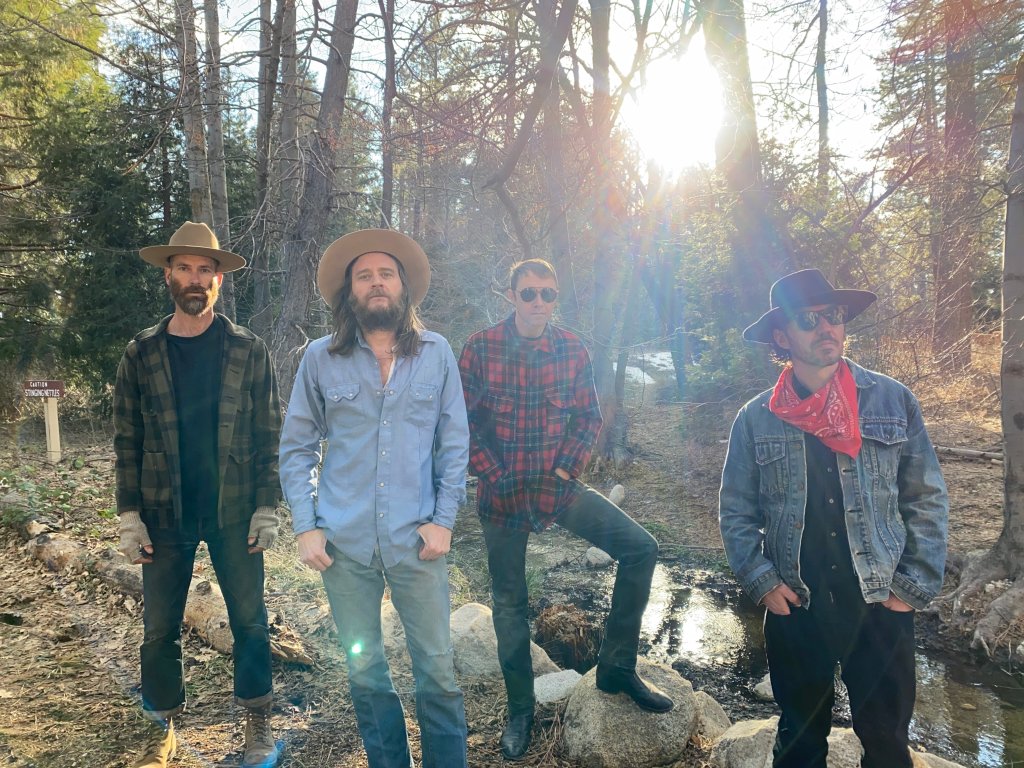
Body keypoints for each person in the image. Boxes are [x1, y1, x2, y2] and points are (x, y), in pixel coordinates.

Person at [718, 269, 949, 768]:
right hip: (796, 605)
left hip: (879, 603)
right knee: (799, 744)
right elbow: (735, 510)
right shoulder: (756, 417)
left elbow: (927, 498)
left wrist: (910, 587)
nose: (827, 328)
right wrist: (760, 580)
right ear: (782, 337)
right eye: (809, 320)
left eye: (834, 316)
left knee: (887, 745)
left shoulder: (892, 400)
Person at [458, 258, 672, 761]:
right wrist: (495, 474)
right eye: (528, 293)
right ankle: (521, 709)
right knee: (509, 604)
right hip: (502, 495)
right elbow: (460, 424)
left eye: (547, 294)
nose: (538, 302)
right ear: (511, 296)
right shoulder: (481, 348)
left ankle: (617, 668)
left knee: (641, 549)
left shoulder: (572, 349)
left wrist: (566, 468)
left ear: (556, 298)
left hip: (557, 486)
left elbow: (588, 417)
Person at [279, 229, 470, 768]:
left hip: (418, 541)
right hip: (345, 545)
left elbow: (455, 443)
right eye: (364, 276)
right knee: (364, 671)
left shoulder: (437, 354)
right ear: (350, 292)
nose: (376, 283)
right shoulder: (320, 358)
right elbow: (297, 447)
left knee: (436, 668)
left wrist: (444, 520)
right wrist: (306, 525)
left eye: (386, 273)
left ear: (403, 286)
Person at [113, 222, 283, 768]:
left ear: (218, 280)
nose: (194, 278)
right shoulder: (142, 353)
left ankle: (256, 718)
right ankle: (162, 723)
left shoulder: (248, 349)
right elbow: (126, 439)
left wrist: (267, 505)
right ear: (168, 275)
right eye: (184, 268)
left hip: (235, 509)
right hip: (164, 511)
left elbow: (269, 433)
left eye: (204, 269)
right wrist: (129, 514)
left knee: (250, 620)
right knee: (159, 627)